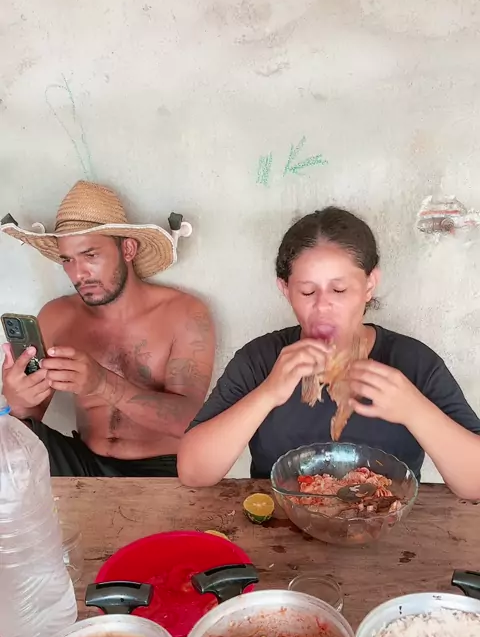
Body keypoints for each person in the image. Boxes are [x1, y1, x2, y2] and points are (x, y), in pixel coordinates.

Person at [178, 207, 480, 499]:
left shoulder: (415, 363)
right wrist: (268, 393)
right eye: (307, 292)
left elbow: (475, 484)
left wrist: (415, 410)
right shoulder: (260, 360)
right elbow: (193, 472)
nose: (323, 306)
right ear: (285, 289)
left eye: (339, 290)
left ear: (370, 284)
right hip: (281, 524)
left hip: (388, 526)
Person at [1, 180, 215, 477]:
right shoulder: (56, 316)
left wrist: (102, 383)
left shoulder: (184, 313)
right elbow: (28, 421)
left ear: (127, 248)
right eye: (68, 260)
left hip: (162, 466)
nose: (78, 274)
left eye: (90, 255)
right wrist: (17, 399)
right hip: (84, 460)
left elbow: (189, 422)